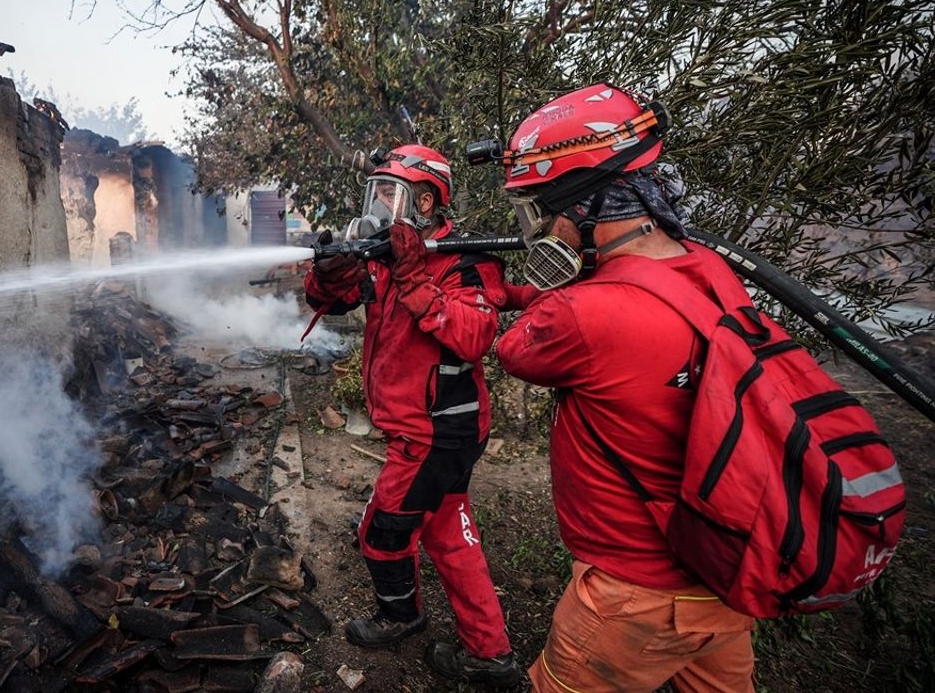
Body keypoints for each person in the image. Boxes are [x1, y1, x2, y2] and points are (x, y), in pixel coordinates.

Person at [493, 83, 756, 692]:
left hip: (634, 593)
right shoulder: (710, 269)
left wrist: (554, 279)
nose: (538, 228)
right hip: (724, 579)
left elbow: (514, 350)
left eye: (540, 210)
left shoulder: (581, 314)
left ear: (580, 207)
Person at [304, 144, 520, 685]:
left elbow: (473, 337)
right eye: (375, 194)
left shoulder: (465, 261)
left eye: (390, 194)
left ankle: (401, 617)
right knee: (449, 533)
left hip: (437, 431)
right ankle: (489, 652)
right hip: (426, 427)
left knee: (382, 532)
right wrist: (329, 273)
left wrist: (414, 276)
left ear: (425, 201)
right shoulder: (388, 255)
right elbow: (337, 298)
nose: (379, 207)